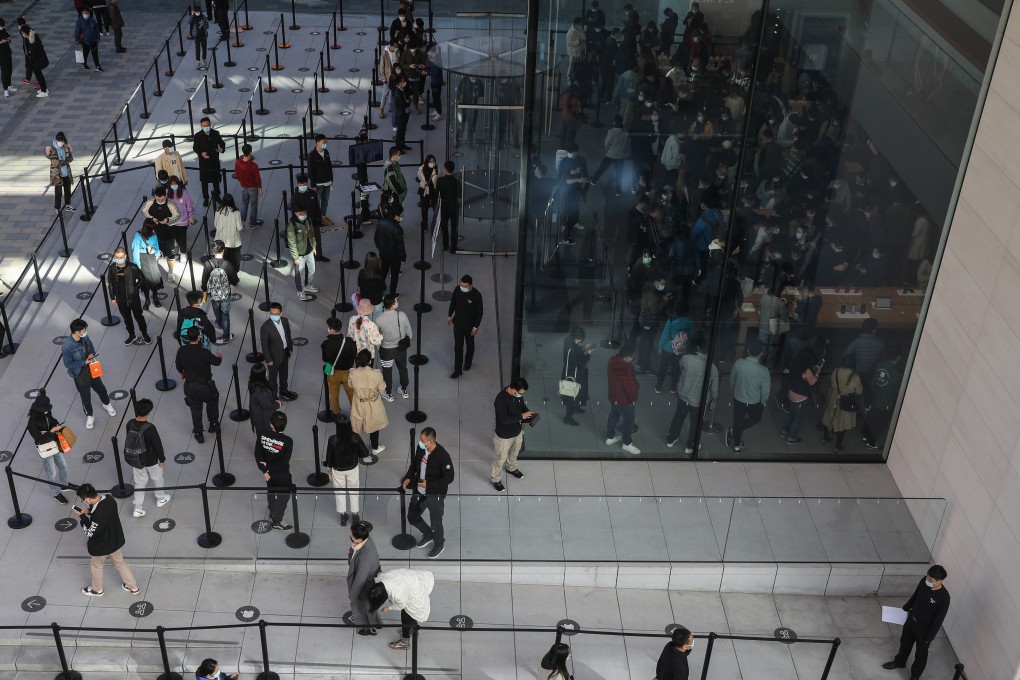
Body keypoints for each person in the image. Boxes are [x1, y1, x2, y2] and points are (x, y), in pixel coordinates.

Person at [883, 565, 950, 680]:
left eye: (931, 579)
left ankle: (915, 676)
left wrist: (929, 637)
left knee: (921, 654)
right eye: (928, 576)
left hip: (924, 629)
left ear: (939, 581)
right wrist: (907, 607)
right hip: (912, 620)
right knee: (905, 643)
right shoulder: (923, 582)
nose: (927, 580)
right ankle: (900, 662)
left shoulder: (944, 598)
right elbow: (916, 595)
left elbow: (939, 620)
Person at [74, 483, 139, 597]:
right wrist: (89, 511)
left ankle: (97, 589)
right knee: (120, 564)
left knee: (97, 567)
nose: (84, 501)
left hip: (101, 546)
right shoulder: (109, 499)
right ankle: (133, 586)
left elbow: (90, 532)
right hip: (115, 541)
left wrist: (83, 517)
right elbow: (104, 512)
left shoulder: (98, 515)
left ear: (87, 499)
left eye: (83, 499)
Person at [401, 427, 454, 559]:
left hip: (435, 495)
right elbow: (414, 465)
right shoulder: (421, 449)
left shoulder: (443, 456)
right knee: (412, 517)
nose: (420, 442)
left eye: (422, 440)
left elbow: (449, 478)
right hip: (419, 491)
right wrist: (408, 477)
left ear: (430, 441)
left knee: (436, 522)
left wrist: (429, 484)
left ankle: (439, 544)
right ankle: (428, 534)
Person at [666, 334, 719, 454]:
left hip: (683, 395)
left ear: (698, 349)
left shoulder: (687, 359)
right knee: (695, 423)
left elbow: (680, 366)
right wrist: (714, 398)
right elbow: (714, 388)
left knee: (678, 418)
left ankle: (671, 439)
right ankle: (690, 446)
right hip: (699, 401)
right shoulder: (713, 368)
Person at [61, 319, 116, 430]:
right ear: (77, 332)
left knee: (101, 389)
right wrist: (84, 362)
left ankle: (107, 404)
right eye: (84, 329)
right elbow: (68, 364)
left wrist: (92, 354)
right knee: (86, 397)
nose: (86, 331)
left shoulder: (85, 337)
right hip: (80, 374)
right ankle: (90, 416)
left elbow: (91, 347)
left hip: (92, 369)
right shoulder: (67, 345)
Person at [124, 398, 171, 518]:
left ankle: (137, 508)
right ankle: (160, 498)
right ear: (149, 412)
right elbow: (157, 445)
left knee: (139, 483)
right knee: (157, 478)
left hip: (136, 460)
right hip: (150, 460)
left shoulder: (130, 423)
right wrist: (162, 459)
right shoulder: (150, 427)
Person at [368, 568, 435, 649]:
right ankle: (413, 630)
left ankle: (405, 641)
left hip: (415, 594)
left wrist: (389, 608)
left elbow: (401, 605)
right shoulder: (383, 578)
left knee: (406, 615)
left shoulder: (398, 593)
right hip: (414, 579)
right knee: (410, 615)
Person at [176, 326, 222, 442]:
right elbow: (216, 362)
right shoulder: (204, 352)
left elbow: (178, 365)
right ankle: (213, 424)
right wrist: (219, 357)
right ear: (199, 337)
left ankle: (198, 433)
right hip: (205, 386)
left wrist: (182, 373)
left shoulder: (182, 350)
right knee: (212, 403)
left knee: (195, 410)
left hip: (190, 387)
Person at [727, 337, 771, 453]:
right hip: (754, 401)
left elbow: (732, 379)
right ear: (761, 353)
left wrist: (733, 389)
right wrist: (763, 401)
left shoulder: (739, 363)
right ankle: (733, 431)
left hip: (738, 397)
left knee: (738, 420)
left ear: (748, 350)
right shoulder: (764, 371)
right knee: (756, 418)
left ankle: (737, 444)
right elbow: (765, 390)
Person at [491, 378, 534, 491]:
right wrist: (521, 416)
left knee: (514, 452)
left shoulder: (518, 396)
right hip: (504, 436)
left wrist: (528, 413)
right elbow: (503, 420)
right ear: (514, 390)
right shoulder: (500, 400)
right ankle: (495, 479)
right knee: (500, 458)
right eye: (520, 393)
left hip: (517, 431)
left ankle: (511, 468)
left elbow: (522, 406)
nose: (521, 396)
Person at [27, 394, 70, 504]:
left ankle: (64, 484)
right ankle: (56, 494)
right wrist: (51, 432)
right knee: (52, 473)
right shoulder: (32, 422)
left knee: (63, 466)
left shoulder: (46, 414)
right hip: (46, 449)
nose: (47, 411)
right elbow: (39, 440)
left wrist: (55, 426)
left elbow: (51, 421)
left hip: (54, 444)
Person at [326, 416, 369, 525]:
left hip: (338, 469)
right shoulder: (355, 438)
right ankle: (355, 515)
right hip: (352, 468)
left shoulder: (332, 439)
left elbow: (329, 457)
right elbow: (365, 453)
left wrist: (328, 468)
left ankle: (343, 515)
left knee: (339, 492)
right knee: (354, 490)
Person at [255, 411, 294, 531]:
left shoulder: (262, 434)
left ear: (271, 424)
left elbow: (258, 454)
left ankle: (272, 510)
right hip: (282, 474)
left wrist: (265, 470)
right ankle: (277, 521)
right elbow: (283, 462)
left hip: (269, 473)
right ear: (285, 424)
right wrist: (268, 467)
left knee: (271, 491)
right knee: (283, 497)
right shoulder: (288, 441)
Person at [107, 246, 150, 345]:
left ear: (125, 256)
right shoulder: (112, 268)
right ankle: (132, 335)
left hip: (133, 298)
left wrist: (135, 288)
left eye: (121, 257)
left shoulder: (132, 267)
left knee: (139, 316)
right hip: (121, 299)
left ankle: (144, 333)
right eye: (117, 257)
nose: (119, 259)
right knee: (127, 318)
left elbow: (142, 279)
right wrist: (112, 297)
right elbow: (110, 283)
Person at [349, 349, 388, 455]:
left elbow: (350, 385)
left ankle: (355, 448)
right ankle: (375, 447)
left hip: (359, 402)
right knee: (374, 424)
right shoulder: (376, 374)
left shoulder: (353, 373)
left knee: (356, 425)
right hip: (373, 402)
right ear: (370, 361)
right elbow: (382, 388)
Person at [821, 355, 863, 452]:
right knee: (842, 424)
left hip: (834, 397)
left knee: (828, 417)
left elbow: (832, 383)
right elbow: (859, 391)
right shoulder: (855, 377)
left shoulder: (836, 371)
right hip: (846, 401)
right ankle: (837, 446)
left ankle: (825, 438)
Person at [347, 520, 382, 635]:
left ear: (358, 540)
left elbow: (360, 579)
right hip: (370, 579)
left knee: (365, 605)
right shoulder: (367, 540)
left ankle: (370, 627)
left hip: (366, 584)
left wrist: (352, 596)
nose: (350, 536)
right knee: (369, 606)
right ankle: (374, 624)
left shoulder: (364, 558)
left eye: (351, 535)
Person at [201, 241, 239, 344]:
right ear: (223, 250)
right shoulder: (227, 264)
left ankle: (219, 323)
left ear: (213, 251)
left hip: (214, 293)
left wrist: (204, 289)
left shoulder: (208, 264)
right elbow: (235, 280)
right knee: (225, 314)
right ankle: (226, 336)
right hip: (225, 293)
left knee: (216, 309)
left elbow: (204, 279)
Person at [781, 347, 821, 445]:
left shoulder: (795, 361)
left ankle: (784, 431)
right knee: (798, 419)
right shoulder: (806, 369)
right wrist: (816, 374)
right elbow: (812, 382)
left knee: (791, 414)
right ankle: (792, 438)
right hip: (801, 397)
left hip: (791, 393)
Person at [376, 294, 412, 401]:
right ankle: (404, 389)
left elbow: (377, 337)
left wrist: (379, 346)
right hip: (401, 348)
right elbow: (409, 333)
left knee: (387, 371)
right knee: (403, 368)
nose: (397, 302)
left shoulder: (378, 319)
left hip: (386, 350)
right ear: (393, 306)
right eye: (396, 301)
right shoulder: (402, 315)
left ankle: (388, 393)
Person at [606, 345, 641, 454]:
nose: (632, 359)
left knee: (613, 415)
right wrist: (633, 399)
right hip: (625, 401)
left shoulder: (612, 360)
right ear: (626, 357)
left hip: (614, 397)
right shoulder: (626, 369)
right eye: (631, 357)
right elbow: (630, 388)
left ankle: (610, 437)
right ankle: (627, 443)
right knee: (628, 422)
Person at [843, 318, 885, 407]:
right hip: (871, 371)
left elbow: (846, 355)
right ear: (874, 330)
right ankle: (867, 405)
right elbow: (883, 357)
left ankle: (854, 404)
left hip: (858, 370)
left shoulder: (856, 342)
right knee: (867, 387)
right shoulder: (880, 343)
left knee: (856, 387)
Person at [447, 274, 483, 378]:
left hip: (469, 326)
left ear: (471, 285)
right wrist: (450, 315)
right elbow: (453, 302)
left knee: (470, 344)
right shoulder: (457, 289)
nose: (462, 287)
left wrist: (476, 326)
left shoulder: (476, 295)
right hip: (457, 324)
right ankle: (457, 371)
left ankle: (468, 362)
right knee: (458, 347)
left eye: (465, 286)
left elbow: (479, 312)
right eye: (461, 285)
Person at [260, 302, 297, 401]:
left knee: (284, 374)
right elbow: (264, 345)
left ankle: (283, 391)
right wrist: (268, 359)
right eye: (272, 314)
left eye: (276, 314)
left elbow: (288, 335)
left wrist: (290, 348)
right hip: (273, 357)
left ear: (281, 313)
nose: (274, 316)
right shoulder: (265, 327)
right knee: (273, 378)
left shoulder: (285, 321)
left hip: (284, 353)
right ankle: (274, 396)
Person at [322, 316, 356, 418]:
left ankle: (336, 412)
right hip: (348, 373)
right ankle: (354, 412)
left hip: (333, 373)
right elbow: (354, 355)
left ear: (331, 330)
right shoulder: (350, 342)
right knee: (351, 394)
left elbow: (325, 359)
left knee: (334, 393)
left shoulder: (326, 344)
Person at [144, 187, 182, 279]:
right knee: (153, 254)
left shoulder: (171, 204)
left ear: (165, 195)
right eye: (157, 199)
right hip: (153, 234)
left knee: (170, 255)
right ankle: (153, 272)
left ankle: (171, 272)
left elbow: (178, 216)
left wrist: (168, 220)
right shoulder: (149, 203)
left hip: (168, 234)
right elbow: (144, 212)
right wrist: (151, 218)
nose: (159, 201)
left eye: (162, 199)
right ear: (155, 196)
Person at [590, 115, 630, 196]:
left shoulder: (611, 132)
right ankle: (618, 191)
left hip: (611, 155)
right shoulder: (626, 131)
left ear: (615, 122)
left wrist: (608, 149)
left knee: (602, 168)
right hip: (620, 155)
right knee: (619, 174)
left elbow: (606, 144)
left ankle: (594, 180)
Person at [286, 206, 318, 301]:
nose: (303, 215)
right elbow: (291, 243)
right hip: (299, 255)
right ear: (296, 213)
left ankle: (308, 285)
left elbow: (311, 234)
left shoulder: (308, 220)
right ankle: (300, 290)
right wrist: (295, 257)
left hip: (309, 251)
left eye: (304, 213)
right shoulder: (292, 226)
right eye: (300, 214)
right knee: (300, 274)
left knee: (312, 270)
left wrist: (314, 246)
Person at [561, 327, 592, 426]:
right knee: (574, 395)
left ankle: (576, 407)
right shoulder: (575, 350)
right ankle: (568, 417)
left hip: (568, 374)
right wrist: (588, 355)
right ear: (579, 338)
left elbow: (574, 353)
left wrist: (582, 348)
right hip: (575, 376)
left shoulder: (568, 341)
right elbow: (581, 364)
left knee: (574, 395)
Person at [374, 203, 407, 295]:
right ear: (396, 216)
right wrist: (403, 258)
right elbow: (400, 246)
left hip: (383, 253)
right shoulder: (397, 229)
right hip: (395, 256)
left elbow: (376, 238)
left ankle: (379, 290)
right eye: (401, 215)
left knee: (383, 272)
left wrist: (381, 248)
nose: (402, 216)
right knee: (394, 275)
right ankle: (392, 293)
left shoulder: (381, 222)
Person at [130, 219, 163, 309]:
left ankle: (155, 297)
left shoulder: (154, 235)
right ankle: (147, 300)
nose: (153, 230)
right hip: (143, 260)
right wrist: (138, 266)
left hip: (152, 259)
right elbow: (135, 252)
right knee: (145, 282)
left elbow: (156, 248)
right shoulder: (138, 236)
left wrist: (156, 255)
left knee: (155, 279)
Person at [192, 116, 225, 206]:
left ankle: (217, 196)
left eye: (207, 125)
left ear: (210, 124)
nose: (206, 127)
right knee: (204, 182)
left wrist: (221, 149)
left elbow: (222, 143)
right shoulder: (198, 136)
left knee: (216, 181)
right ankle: (206, 198)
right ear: (201, 125)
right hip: (204, 163)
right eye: (204, 125)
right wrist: (201, 153)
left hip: (214, 162)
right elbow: (195, 147)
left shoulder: (216, 133)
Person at [307, 134, 335, 225]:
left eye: (326, 142)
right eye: (324, 142)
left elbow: (329, 166)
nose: (325, 144)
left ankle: (323, 217)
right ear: (317, 143)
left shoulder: (326, 152)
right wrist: (313, 185)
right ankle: (315, 220)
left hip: (327, 182)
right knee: (316, 202)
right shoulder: (312, 155)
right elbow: (310, 171)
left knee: (325, 201)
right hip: (318, 184)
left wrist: (331, 179)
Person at [234, 144, 263, 227]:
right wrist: (260, 188)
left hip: (243, 186)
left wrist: (241, 182)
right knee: (254, 205)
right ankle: (253, 222)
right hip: (253, 187)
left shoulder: (237, 163)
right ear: (250, 152)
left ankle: (242, 221)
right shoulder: (253, 166)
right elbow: (257, 178)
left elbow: (237, 174)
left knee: (244, 203)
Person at [214, 194, 243, 274]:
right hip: (233, 242)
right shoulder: (236, 212)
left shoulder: (218, 211)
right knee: (235, 262)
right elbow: (239, 228)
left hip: (221, 242)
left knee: (224, 262)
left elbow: (215, 224)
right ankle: (233, 276)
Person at [436, 161, 461, 253]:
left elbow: (437, 192)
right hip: (453, 205)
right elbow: (460, 195)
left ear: (445, 169)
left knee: (444, 225)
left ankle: (445, 245)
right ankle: (453, 247)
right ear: (453, 169)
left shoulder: (440, 180)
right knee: (454, 227)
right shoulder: (456, 181)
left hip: (444, 204)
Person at [247, 362, 279, 435]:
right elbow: (268, 405)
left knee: (260, 435)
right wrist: (278, 404)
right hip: (263, 419)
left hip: (257, 415)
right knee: (265, 436)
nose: (266, 372)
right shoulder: (262, 391)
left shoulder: (252, 383)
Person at [168, 175, 196, 258]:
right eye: (172, 184)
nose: (173, 186)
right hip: (172, 221)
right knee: (175, 236)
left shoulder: (184, 192)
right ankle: (179, 245)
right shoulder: (168, 193)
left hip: (183, 221)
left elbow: (189, 205)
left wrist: (191, 217)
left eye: (175, 184)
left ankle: (183, 253)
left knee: (182, 238)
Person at [46, 132, 73, 213]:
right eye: (59, 140)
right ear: (56, 140)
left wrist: (70, 151)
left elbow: (70, 159)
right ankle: (57, 208)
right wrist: (62, 161)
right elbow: (50, 157)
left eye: (62, 141)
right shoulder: (52, 149)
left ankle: (67, 205)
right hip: (57, 175)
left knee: (67, 190)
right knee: (58, 193)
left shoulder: (66, 147)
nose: (60, 142)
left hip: (66, 173)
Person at [21, 24, 49, 98]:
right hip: (36, 60)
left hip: (37, 61)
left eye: (23, 33)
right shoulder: (32, 37)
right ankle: (44, 89)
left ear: (26, 33)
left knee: (39, 76)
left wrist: (29, 62)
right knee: (38, 75)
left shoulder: (32, 40)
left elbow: (33, 53)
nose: (22, 34)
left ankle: (44, 91)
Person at [357, 252, 387, 317]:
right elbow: (383, 288)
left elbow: (359, 284)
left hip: (366, 303)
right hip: (377, 301)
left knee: (367, 320)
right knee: (377, 320)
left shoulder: (362, 273)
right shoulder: (379, 274)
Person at [74, 6, 102, 71]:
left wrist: (98, 37)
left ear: (89, 13)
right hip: (85, 41)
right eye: (84, 13)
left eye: (87, 13)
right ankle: (84, 64)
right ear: (82, 13)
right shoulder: (79, 21)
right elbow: (77, 31)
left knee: (95, 53)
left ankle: (97, 66)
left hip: (93, 40)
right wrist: (77, 39)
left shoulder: (92, 20)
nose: (86, 15)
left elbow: (96, 29)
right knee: (85, 53)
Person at [416, 154, 439, 229]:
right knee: (424, 209)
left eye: (433, 161)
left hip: (433, 191)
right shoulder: (421, 169)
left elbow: (438, 178)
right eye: (431, 161)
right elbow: (418, 178)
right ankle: (424, 224)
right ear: (427, 162)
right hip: (424, 191)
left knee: (435, 208)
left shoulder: (436, 169)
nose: (432, 163)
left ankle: (437, 224)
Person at [0, 18, 15, 98]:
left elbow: (9, 38)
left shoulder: (3, 30)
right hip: (1, 55)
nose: (2, 28)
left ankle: (9, 85)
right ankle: (5, 89)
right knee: (4, 71)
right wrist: (1, 42)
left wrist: (8, 40)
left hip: (7, 52)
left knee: (9, 69)